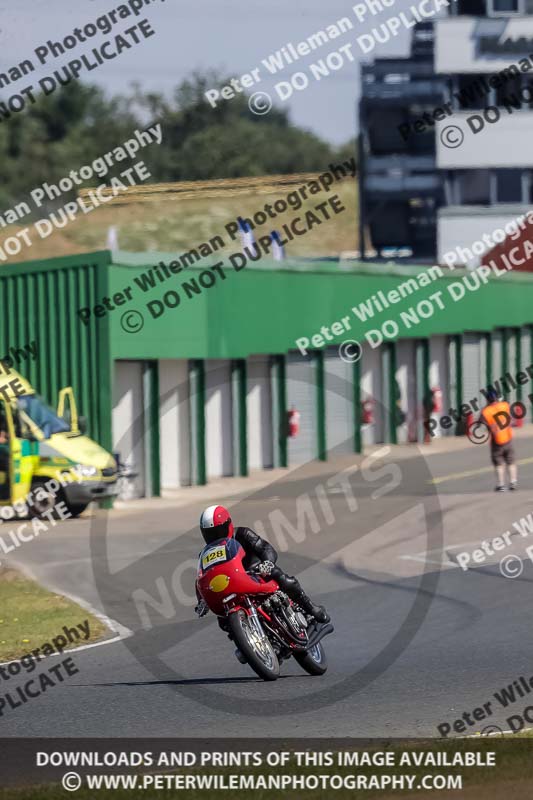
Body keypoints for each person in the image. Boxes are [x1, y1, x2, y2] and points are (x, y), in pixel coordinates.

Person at [195, 505, 330, 623]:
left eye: (218, 531)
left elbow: (266, 548)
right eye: (210, 534)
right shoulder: (205, 553)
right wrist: (202, 599)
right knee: (222, 620)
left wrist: (267, 563)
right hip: (232, 584)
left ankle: (312, 609)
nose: (216, 537)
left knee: (282, 578)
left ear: (228, 524)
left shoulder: (242, 534)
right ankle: (248, 642)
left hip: (257, 572)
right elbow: (202, 577)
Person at [480, 388, 517, 492]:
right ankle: (513, 482)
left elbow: (482, 422)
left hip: (496, 440)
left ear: (488, 399)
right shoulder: (505, 405)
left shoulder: (486, 411)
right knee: (511, 461)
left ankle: (501, 485)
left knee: (499, 462)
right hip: (508, 437)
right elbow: (512, 419)